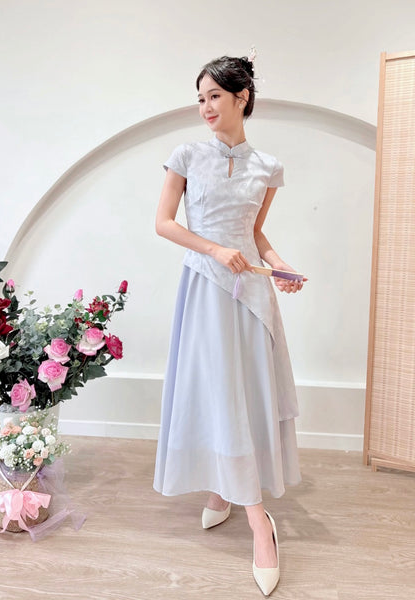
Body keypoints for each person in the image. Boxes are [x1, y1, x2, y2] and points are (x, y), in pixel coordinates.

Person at [153, 51, 304, 596]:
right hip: (206, 286)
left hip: (253, 293)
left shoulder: (268, 167)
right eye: (200, 98)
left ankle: (235, 495)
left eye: (214, 95)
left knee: (245, 394)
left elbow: (256, 234)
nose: (205, 107)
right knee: (216, 391)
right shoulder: (187, 155)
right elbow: (164, 224)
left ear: (242, 97)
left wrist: (280, 266)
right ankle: (254, 518)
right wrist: (215, 250)